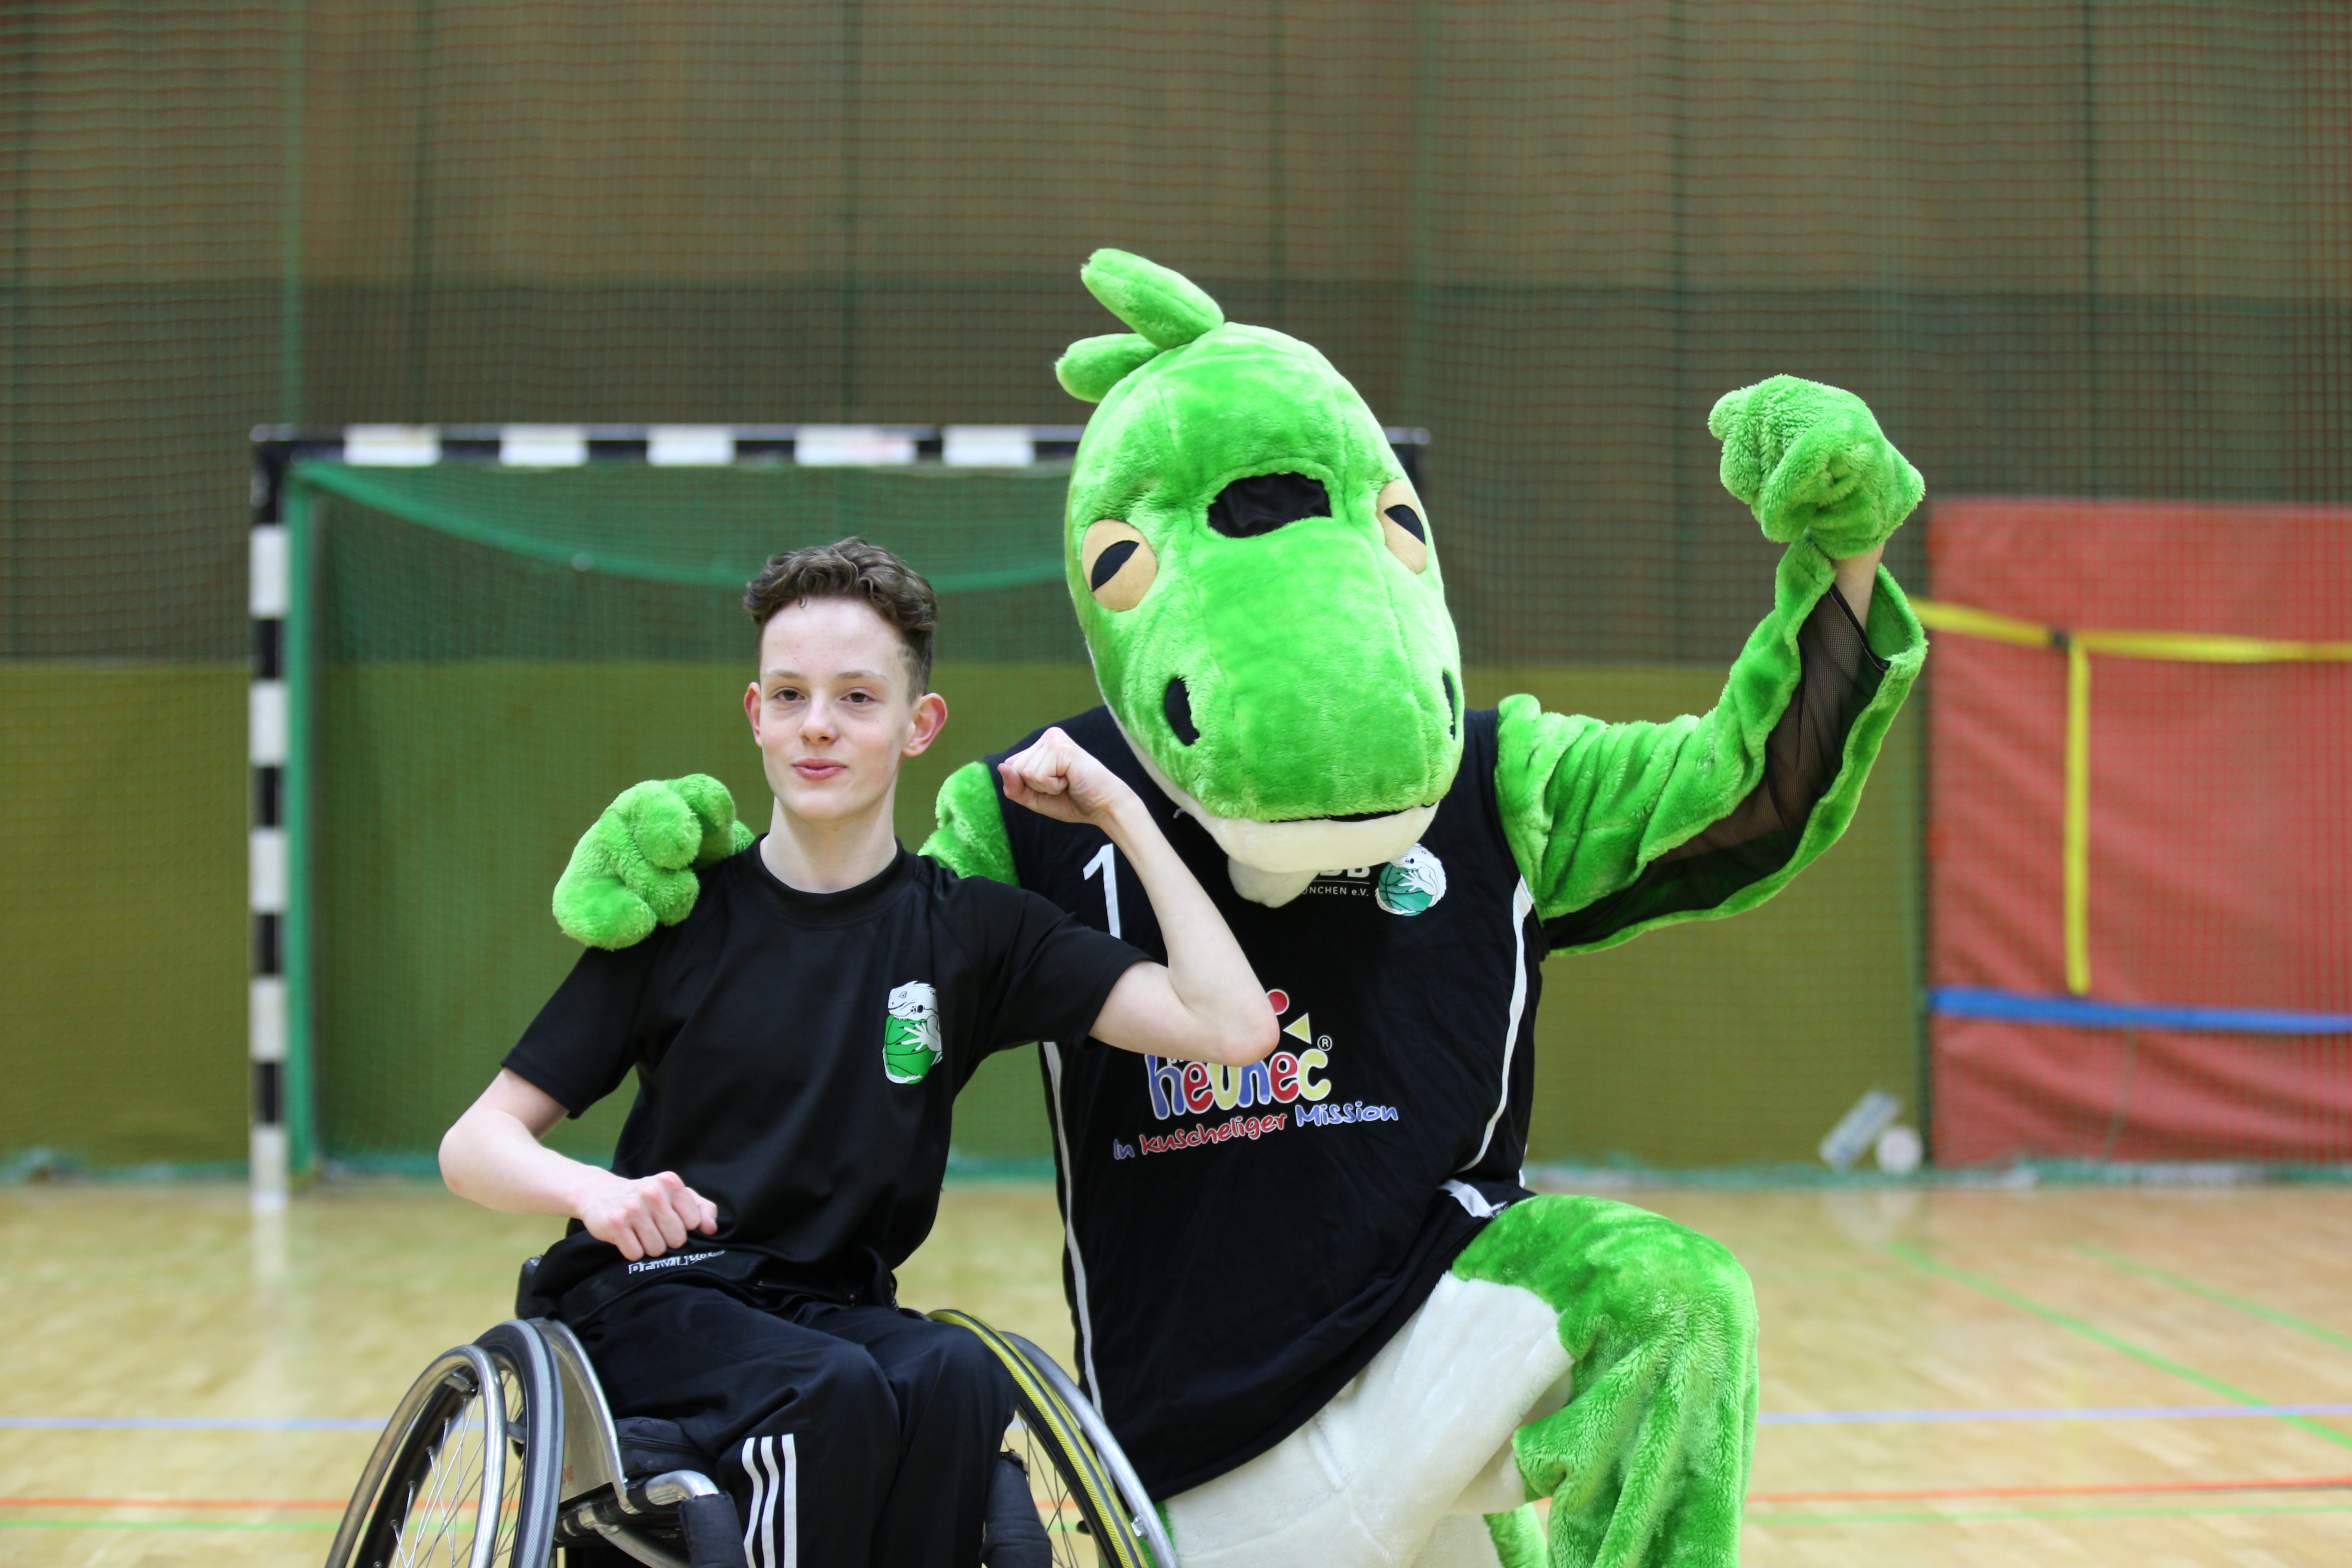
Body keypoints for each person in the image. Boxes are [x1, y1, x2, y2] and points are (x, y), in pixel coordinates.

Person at [542, 251, 1927, 1568]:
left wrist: (1844, 556)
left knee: (1665, 1302)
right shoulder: (1028, 811)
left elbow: (1748, 787)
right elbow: (838, 943)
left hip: (1430, 1365)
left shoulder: (1505, 781)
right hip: (1191, 1445)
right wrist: (713, 885)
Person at [438, 537, 1277, 1568]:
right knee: (827, 1391)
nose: (818, 726)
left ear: (920, 725)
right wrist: (597, 1195)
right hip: (658, 1303)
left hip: (833, 1313)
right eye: (788, 696)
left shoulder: (974, 935)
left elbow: (1233, 1032)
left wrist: (1121, 812)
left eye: (856, 698)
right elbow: (475, 1144)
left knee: (959, 1374)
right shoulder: (682, 920)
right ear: (755, 715)